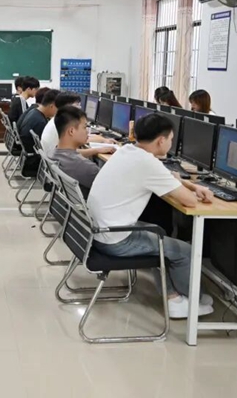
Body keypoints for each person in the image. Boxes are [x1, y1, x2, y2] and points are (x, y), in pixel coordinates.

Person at [88, 113, 216, 319]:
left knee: (161, 234)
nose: (171, 143)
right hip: (115, 239)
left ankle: (173, 296)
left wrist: (192, 186)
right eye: (171, 139)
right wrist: (193, 192)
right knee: (186, 251)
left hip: (101, 231)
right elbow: (189, 202)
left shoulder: (128, 151)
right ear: (161, 140)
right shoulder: (147, 163)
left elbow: (166, 176)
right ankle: (191, 300)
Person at [51, 106, 111, 198]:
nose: (87, 132)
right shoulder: (85, 167)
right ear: (71, 131)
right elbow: (112, 189)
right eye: (84, 127)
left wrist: (96, 150)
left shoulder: (54, 153)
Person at [41, 91, 115, 156]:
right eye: (77, 104)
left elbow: (84, 138)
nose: (80, 107)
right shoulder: (59, 124)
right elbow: (70, 153)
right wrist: (97, 150)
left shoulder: (59, 120)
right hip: (60, 163)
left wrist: (103, 140)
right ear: (67, 107)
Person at [18, 89, 59, 175]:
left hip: (28, 159)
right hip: (35, 163)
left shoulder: (34, 112)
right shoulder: (40, 122)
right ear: (52, 106)